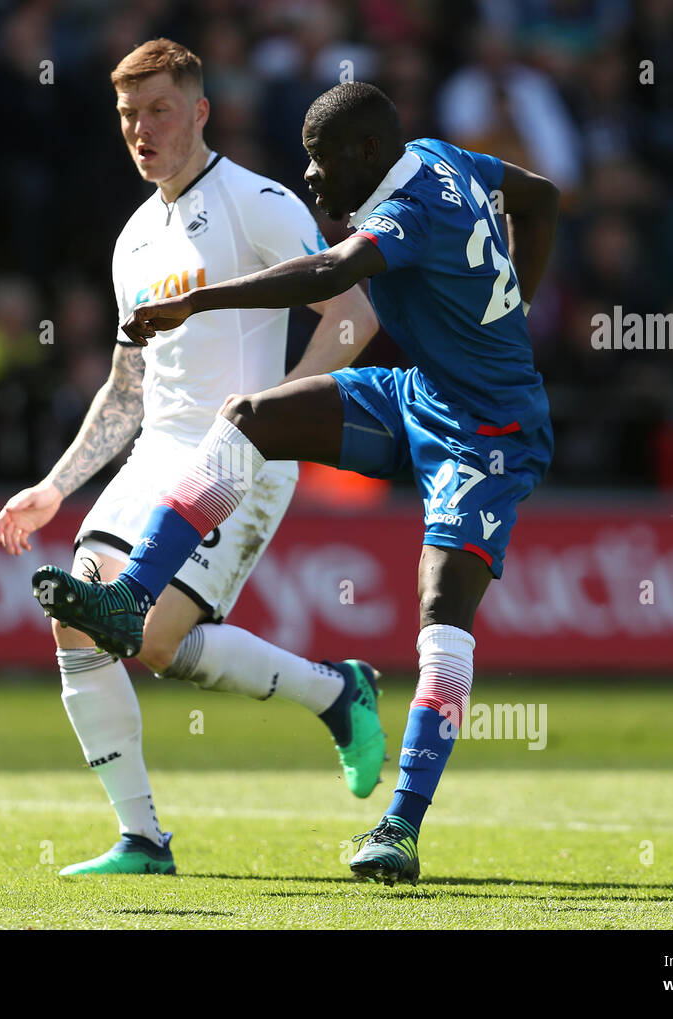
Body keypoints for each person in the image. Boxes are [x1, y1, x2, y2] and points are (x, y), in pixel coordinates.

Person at [32, 82, 560, 887]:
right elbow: (541, 195)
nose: (311, 180)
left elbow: (329, 272)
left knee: (439, 613)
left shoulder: (407, 209)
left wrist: (200, 300)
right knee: (252, 416)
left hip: (489, 433)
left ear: (365, 156)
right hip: (420, 392)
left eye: (321, 164)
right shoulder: (443, 158)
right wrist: (517, 297)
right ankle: (129, 595)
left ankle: (402, 825)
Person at [0, 40, 383, 877]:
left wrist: (274, 413)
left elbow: (351, 313)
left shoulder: (257, 203)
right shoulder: (133, 238)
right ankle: (141, 837)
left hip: (241, 453)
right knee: (84, 621)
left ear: (201, 111)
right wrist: (55, 486)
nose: (142, 130)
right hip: (155, 454)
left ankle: (336, 691)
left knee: (154, 638)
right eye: (129, 115)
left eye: (160, 110)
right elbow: (127, 386)